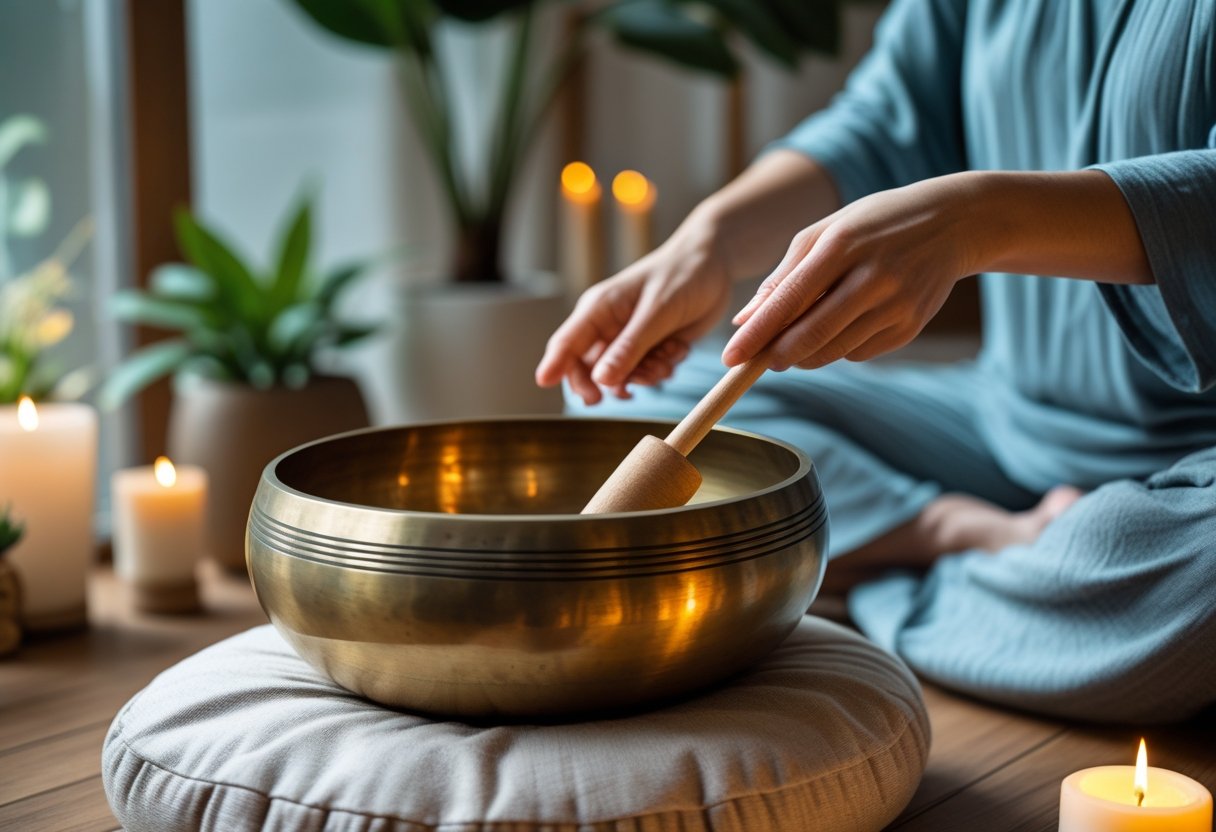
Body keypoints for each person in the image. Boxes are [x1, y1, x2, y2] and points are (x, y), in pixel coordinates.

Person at [536, 0, 1216, 722]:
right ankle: (958, 541)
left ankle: (855, 578)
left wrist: (976, 217)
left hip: (1194, 475)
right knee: (627, 385)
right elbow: (885, 123)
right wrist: (707, 242)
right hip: (1000, 424)